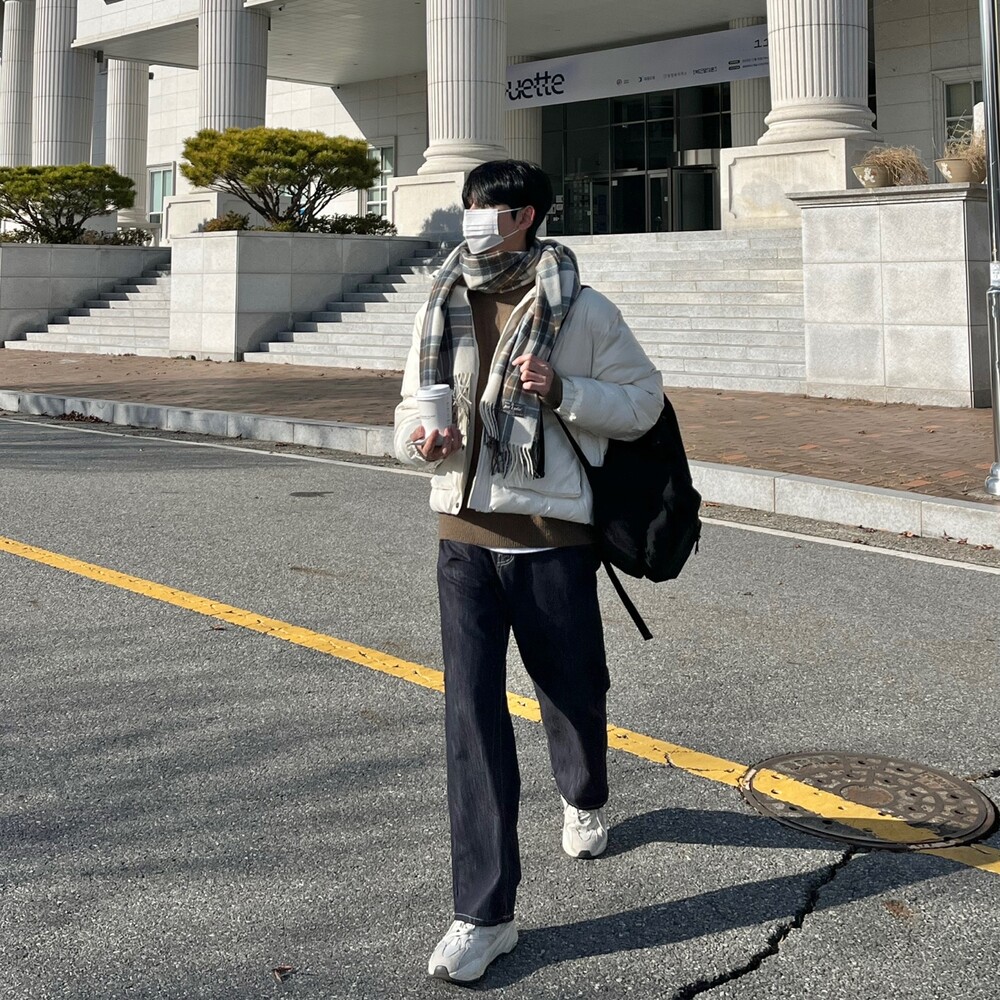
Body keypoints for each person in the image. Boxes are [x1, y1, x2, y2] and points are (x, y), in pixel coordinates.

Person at [393, 160, 663, 984]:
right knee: (471, 718)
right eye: (472, 204)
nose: (478, 218)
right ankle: (484, 913)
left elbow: (643, 402)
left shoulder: (582, 308)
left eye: (495, 207)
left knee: (570, 686)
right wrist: (422, 441)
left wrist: (563, 388)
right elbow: (408, 408)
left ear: (530, 216)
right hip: (463, 538)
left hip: (551, 541)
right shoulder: (441, 299)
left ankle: (583, 791)